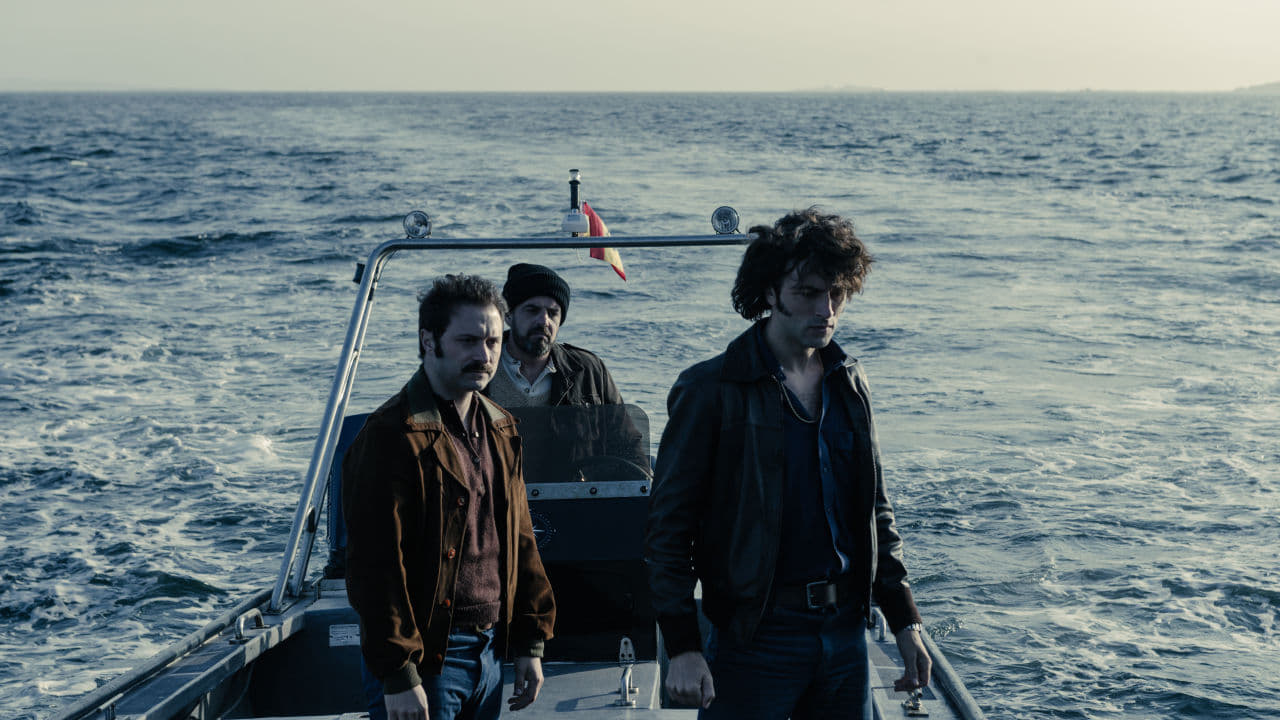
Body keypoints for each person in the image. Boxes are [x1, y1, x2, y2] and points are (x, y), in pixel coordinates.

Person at [644, 208, 931, 719]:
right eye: (808, 293)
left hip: (845, 634)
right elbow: (668, 531)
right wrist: (683, 646)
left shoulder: (849, 381)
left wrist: (905, 621)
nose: (827, 309)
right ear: (770, 292)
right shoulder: (710, 390)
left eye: (837, 293)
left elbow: (875, 511)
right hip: (755, 638)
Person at [343, 274, 555, 720]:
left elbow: (520, 540)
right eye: (468, 341)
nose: (484, 355)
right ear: (428, 340)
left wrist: (529, 641)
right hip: (428, 659)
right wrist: (398, 673)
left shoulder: (500, 427)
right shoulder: (391, 435)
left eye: (493, 341)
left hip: (490, 652)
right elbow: (376, 568)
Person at [484, 262, 625, 409]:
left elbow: (622, 424)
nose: (544, 321)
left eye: (552, 313)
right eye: (532, 310)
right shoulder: (480, 365)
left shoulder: (588, 370)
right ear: (508, 316)